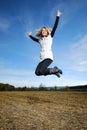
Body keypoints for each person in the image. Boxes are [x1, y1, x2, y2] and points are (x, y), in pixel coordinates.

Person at [28, 10, 63, 78]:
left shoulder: (50, 37)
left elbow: (55, 27)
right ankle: (54, 71)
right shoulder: (40, 40)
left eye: (45, 30)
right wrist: (30, 36)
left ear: (47, 32)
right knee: (37, 73)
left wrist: (57, 16)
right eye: (42, 30)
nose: (43, 31)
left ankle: (56, 70)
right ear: (41, 32)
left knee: (42, 71)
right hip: (42, 59)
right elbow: (34, 39)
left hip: (48, 57)